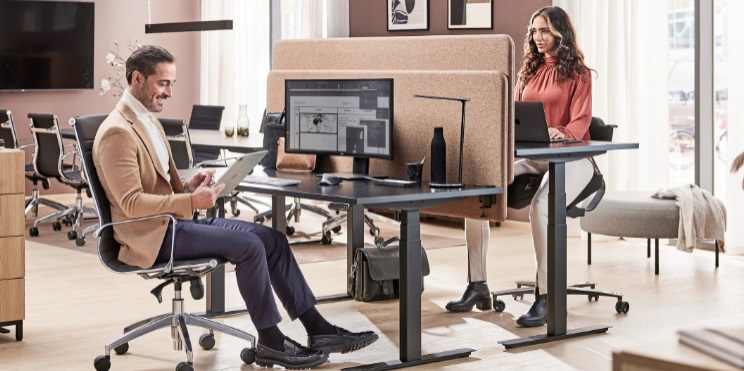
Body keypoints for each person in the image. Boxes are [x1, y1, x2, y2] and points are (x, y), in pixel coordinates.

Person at [93, 45, 378, 369]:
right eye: (163, 84)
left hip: (172, 225)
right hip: (151, 238)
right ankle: (271, 341)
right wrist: (189, 201)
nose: (170, 92)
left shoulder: (151, 123)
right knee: (249, 247)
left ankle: (319, 329)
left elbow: (163, 189)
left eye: (172, 83)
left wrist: (191, 187)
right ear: (137, 79)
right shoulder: (117, 132)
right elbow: (131, 204)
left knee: (273, 240)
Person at [446, 6, 595, 328]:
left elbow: (582, 122)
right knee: (479, 194)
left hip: (574, 159)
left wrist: (564, 132)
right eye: (535, 31)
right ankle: (478, 285)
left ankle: (546, 295)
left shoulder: (579, 73)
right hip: (537, 157)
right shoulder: (529, 71)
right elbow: (515, 114)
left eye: (545, 31)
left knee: (541, 206)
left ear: (560, 33)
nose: (538, 38)